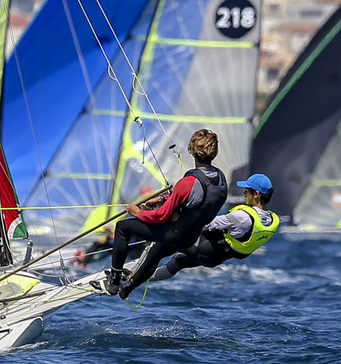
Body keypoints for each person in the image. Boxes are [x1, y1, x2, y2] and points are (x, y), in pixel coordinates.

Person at [105, 128, 228, 299]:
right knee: (156, 252)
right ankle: (128, 288)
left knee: (122, 227)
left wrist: (138, 212)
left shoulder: (188, 182)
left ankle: (114, 279)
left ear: (192, 150)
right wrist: (163, 199)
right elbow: (197, 198)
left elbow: (160, 216)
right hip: (190, 238)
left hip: (172, 234)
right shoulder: (221, 179)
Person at [149, 173, 281, 286]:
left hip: (205, 247)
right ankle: (141, 280)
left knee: (162, 242)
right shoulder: (273, 220)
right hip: (215, 259)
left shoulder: (242, 216)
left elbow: (207, 224)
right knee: (178, 262)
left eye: (247, 191)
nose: (244, 193)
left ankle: (133, 276)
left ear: (256, 194)